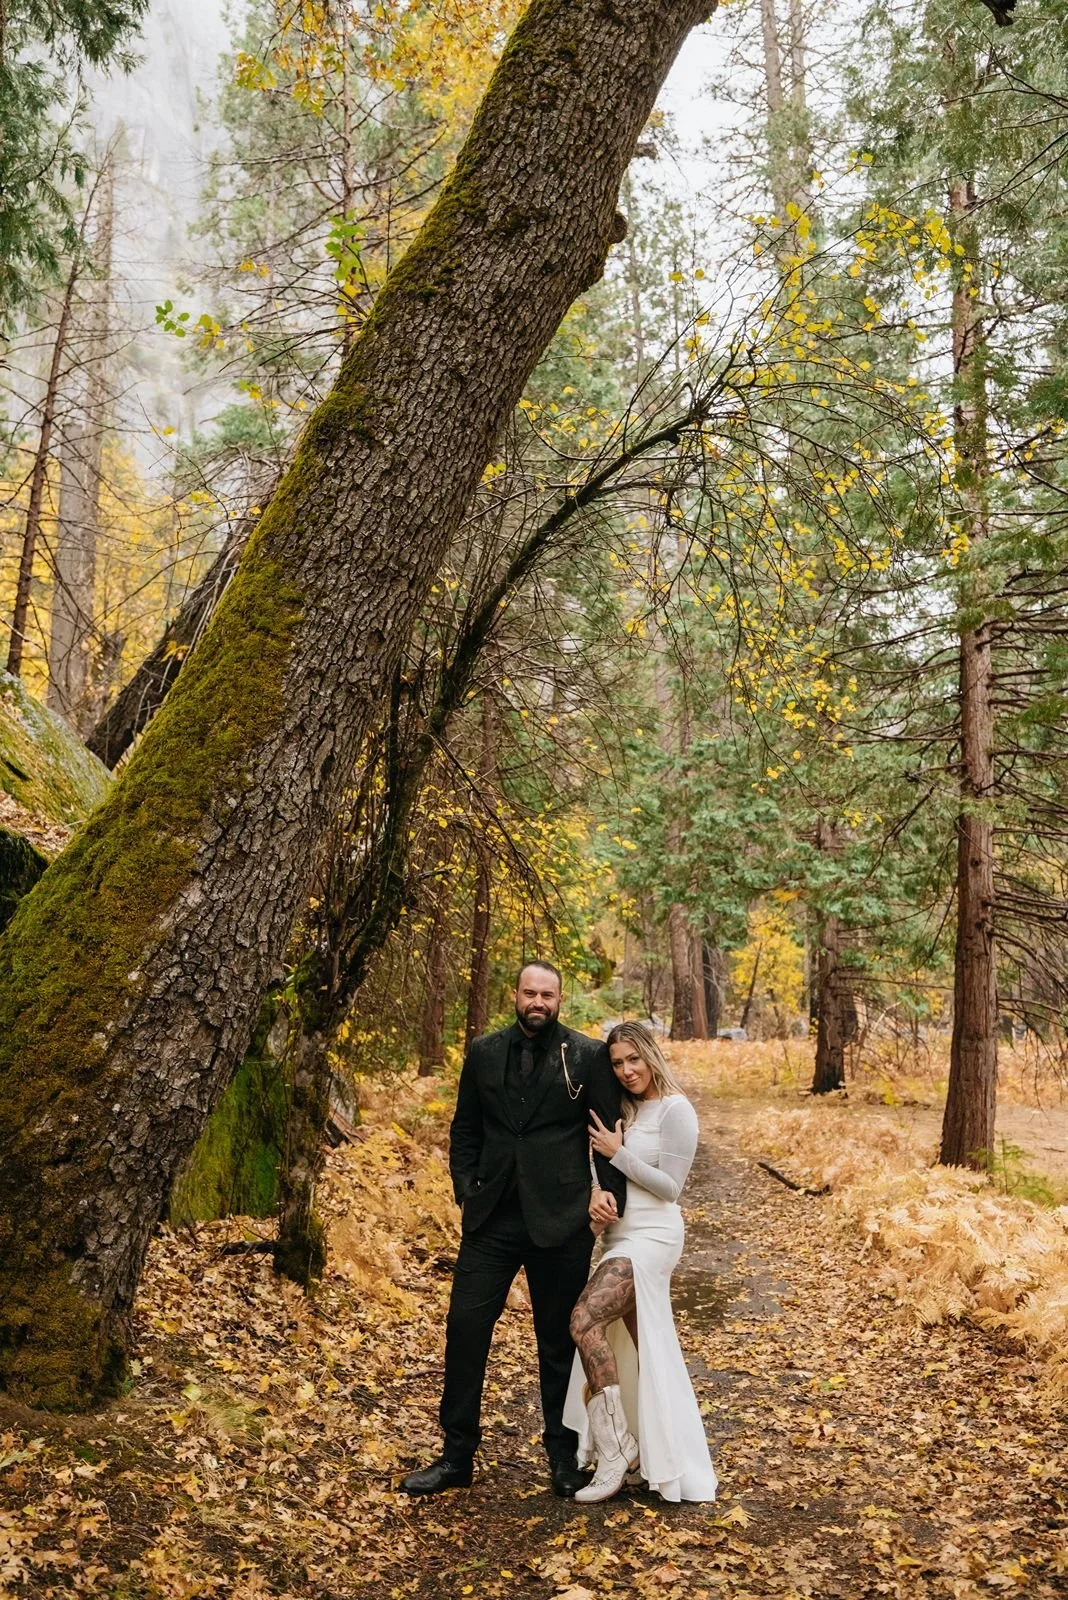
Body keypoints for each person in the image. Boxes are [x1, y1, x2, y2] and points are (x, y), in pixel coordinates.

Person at [401, 960, 626, 1498]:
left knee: (557, 1343)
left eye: (548, 994)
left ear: (560, 998)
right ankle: (457, 1457)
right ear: (515, 995)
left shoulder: (588, 1055)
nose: (538, 1003)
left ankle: (563, 1457)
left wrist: (606, 1196)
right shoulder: (482, 1052)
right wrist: (466, 1187)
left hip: (561, 1220)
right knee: (465, 1331)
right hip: (492, 1218)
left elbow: (609, 1134)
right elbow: (465, 1127)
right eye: (530, 992)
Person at [562, 1021, 718, 1504]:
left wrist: (620, 1152)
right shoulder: (621, 1109)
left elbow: (672, 1187)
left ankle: (616, 1451)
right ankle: (656, 1452)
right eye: (617, 1063)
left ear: (651, 1055)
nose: (627, 1071)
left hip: (654, 1236)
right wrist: (596, 1195)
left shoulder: (677, 1109)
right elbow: (598, 1168)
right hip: (619, 1234)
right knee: (640, 1347)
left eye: (634, 1059)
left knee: (584, 1319)